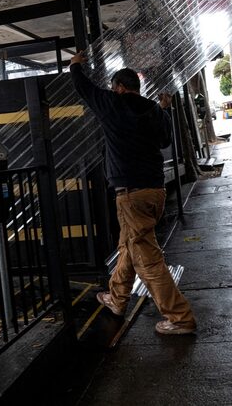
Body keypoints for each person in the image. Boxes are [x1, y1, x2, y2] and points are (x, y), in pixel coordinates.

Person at [70, 51, 197, 335]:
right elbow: (165, 139)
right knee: (128, 247)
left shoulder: (112, 104)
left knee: (148, 260)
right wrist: (164, 109)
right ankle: (116, 299)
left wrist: (75, 65)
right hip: (155, 191)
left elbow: (84, 87)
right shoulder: (152, 109)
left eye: (114, 87)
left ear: (117, 87)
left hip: (130, 194)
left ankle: (180, 318)